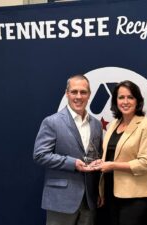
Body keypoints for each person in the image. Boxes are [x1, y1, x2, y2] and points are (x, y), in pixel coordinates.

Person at [33, 74, 103, 225]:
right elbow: (40, 155)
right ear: (67, 94)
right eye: (74, 92)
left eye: (83, 92)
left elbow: (96, 156)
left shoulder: (96, 125)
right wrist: (72, 163)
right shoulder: (52, 122)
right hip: (60, 200)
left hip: (89, 201)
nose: (79, 96)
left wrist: (98, 190)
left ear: (89, 94)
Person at [96, 80, 147, 225]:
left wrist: (112, 166)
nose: (125, 101)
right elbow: (110, 156)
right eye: (121, 97)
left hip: (134, 195)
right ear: (115, 101)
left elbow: (145, 163)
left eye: (130, 97)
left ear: (138, 101)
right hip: (110, 192)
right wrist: (101, 163)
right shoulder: (113, 125)